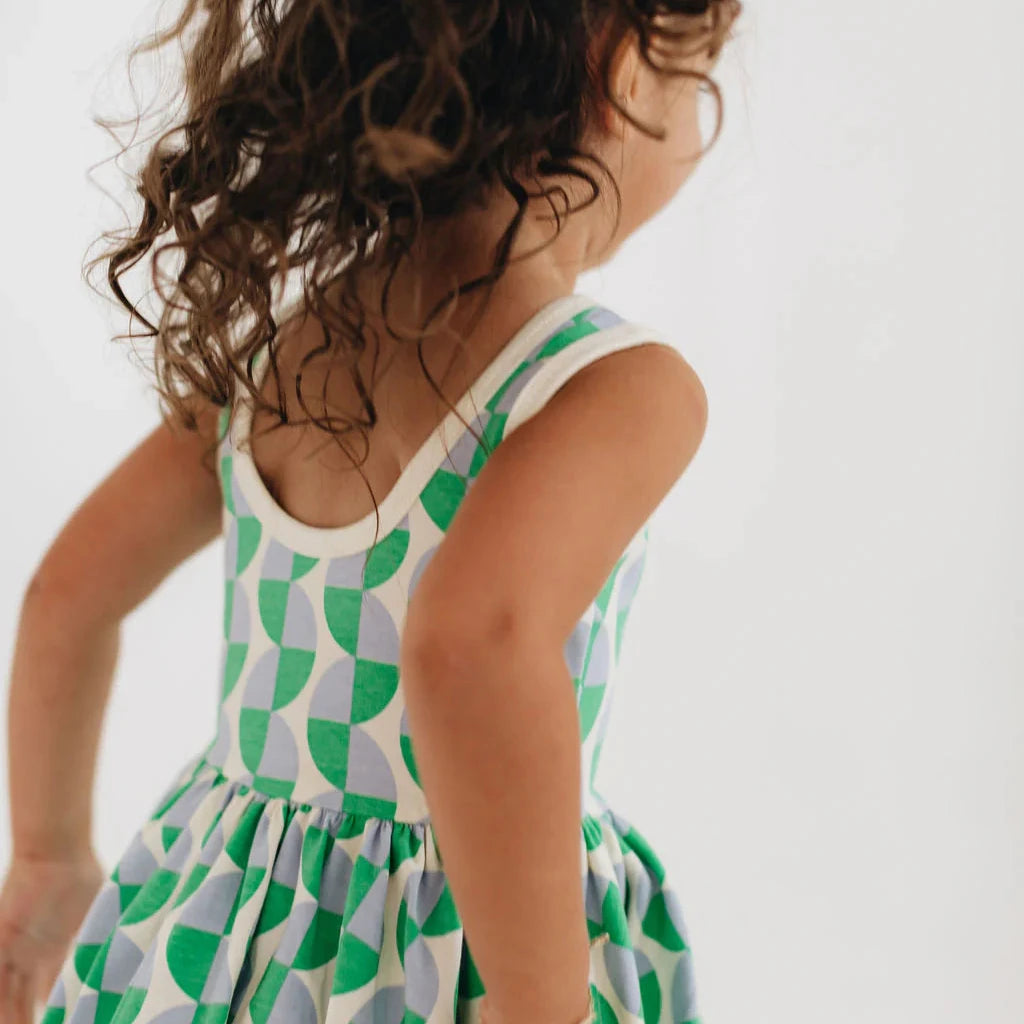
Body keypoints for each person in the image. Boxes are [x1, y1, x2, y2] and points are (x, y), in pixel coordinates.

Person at [0, 1, 743, 1022]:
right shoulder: (615, 388)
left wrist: (47, 858)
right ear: (620, 75)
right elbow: (468, 643)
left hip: (224, 940)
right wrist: (539, 1001)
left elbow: (68, 594)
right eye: (700, 78)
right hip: (459, 952)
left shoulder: (277, 357)